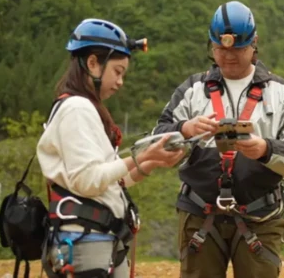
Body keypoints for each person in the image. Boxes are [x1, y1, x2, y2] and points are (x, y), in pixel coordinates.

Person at [152, 1, 284, 278]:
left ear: (254, 43)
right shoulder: (193, 89)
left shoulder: (281, 92)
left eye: (237, 49)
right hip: (199, 212)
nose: (228, 56)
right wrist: (185, 129)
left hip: (259, 216)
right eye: (220, 49)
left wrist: (265, 149)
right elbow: (157, 138)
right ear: (212, 46)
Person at [36, 18, 186, 278]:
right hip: (86, 243)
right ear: (93, 63)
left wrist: (152, 161)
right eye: (117, 72)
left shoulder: (83, 108)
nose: (120, 82)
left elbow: (113, 179)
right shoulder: (77, 109)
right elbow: (88, 180)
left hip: (97, 240)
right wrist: (142, 155)